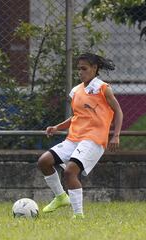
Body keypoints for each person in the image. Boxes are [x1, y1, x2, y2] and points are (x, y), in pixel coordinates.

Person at [37, 53, 123, 219]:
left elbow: (118, 111)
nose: (80, 72)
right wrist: (57, 127)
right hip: (74, 138)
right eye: (79, 69)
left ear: (94, 68)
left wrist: (116, 135)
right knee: (44, 162)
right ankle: (61, 197)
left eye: (84, 69)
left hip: (94, 139)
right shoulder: (76, 90)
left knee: (70, 172)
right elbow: (77, 116)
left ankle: (78, 216)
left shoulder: (103, 88)